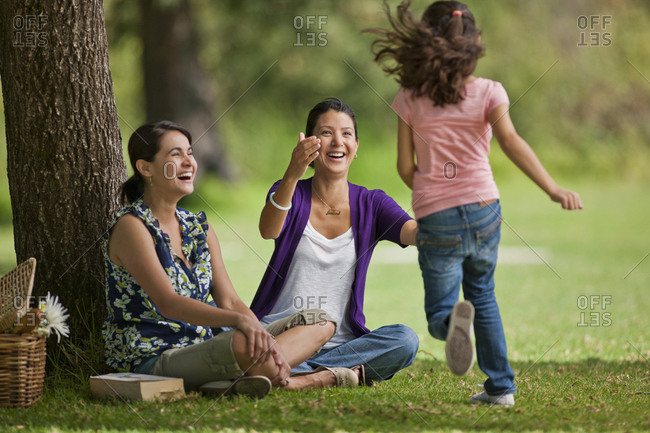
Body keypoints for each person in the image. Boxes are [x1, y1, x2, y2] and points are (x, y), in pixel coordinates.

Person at [368, 1, 583, 406]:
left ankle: (452, 325)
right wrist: (553, 189)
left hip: (437, 214)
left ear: (425, 44)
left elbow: (403, 166)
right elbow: (511, 143)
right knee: (482, 294)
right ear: (474, 44)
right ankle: (501, 388)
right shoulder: (489, 91)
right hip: (486, 207)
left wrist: (431, 191)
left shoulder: (410, 97)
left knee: (439, 311)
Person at [102, 121, 361, 398]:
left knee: (321, 322)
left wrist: (259, 333)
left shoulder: (199, 227)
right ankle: (302, 380)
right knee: (241, 341)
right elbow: (169, 303)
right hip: (154, 357)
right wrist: (242, 325)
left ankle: (244, 375)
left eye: (190, 153)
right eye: (176, 155)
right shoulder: (133, 226)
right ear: (146, 168)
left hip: (207, 343)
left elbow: (231, 301)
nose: (189, 162)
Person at [250, 98, 420, 386]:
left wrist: (455, 217)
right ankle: (323, 375)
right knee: (230, 340)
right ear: (310, 144)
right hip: (281, 336)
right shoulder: (289, 191)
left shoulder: (371, 203)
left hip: (342, 347)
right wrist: (293, 173)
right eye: (326, 133)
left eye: (346, 134)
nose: (337, 142)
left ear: (356, 147)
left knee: (405, 340)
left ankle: (308, 376)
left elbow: (415, 233)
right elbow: (269, 230)